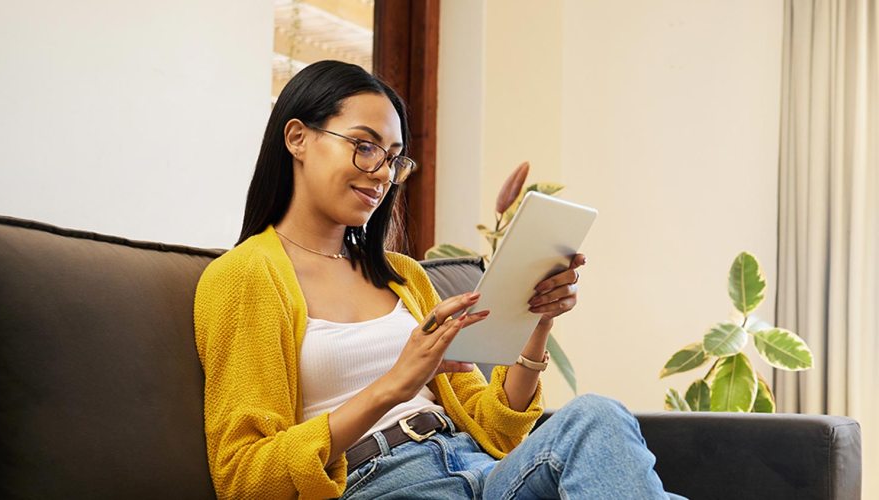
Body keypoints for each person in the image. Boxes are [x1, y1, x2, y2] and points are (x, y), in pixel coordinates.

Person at [194, 60, 682, 499]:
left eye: (393, 158)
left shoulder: (402, 276)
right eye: (365, 147)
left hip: (478, 470)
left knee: (596, 417)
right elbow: (244, 477)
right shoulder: (244, 278)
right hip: (379, 482)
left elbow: (497, 430)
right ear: (297, 137)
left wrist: (533, 327)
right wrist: (393, 386)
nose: (382, 174)